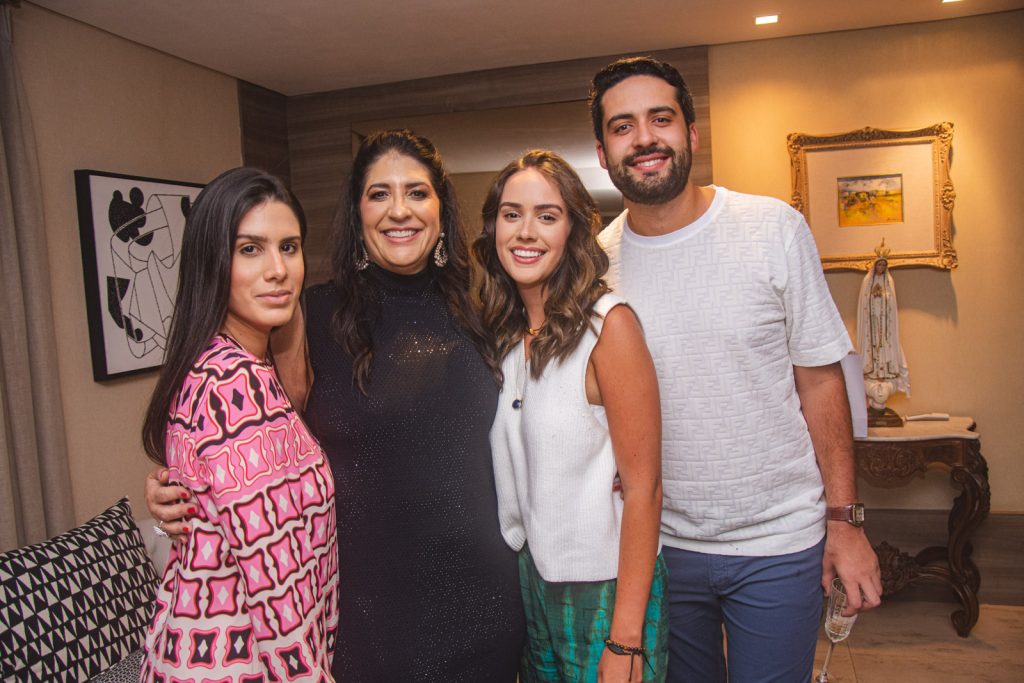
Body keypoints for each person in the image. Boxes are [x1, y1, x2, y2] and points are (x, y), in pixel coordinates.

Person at [147, 130, 524, 681]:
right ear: (357, 212)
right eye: (379, 194)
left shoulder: (488, 305)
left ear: (441, 208)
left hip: (487, 607)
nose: (400, 210)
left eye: (417, 192)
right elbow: (251, 442)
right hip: (369, 624)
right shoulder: (304, 317)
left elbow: (540, 415)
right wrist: (176, 488)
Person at [588, 57, 882, 682]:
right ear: (602, 149)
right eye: (623, 126)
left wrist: (845, 521)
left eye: (660, 118)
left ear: (691, 134)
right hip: (661, 550)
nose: (643, 138)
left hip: (779, 542)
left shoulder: (772, 228)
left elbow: (820, 380)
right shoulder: (595, 265)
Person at [138, 167, 338, 680]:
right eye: (251, 249)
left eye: (288, 247)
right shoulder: (231, 384)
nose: (278, 270)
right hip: (233, 662)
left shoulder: (234, 364)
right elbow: (276, 585)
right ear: (213, 261)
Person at [476, 150, 668, 682]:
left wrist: (626, 639)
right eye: (511, 214)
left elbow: (645, 487)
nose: (526, 232)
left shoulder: (609, 327)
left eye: (547, 215)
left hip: (606, 591)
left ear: (574, 232)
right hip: (531, 583)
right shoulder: (506, 337)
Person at [856, 240, 909, 412]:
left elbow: (891, 302)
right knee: (872, 349)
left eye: (883, 265)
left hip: (885, 326)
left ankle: (885, 373)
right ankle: (872, 373)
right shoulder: (867, 281)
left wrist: (883, 296)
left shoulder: (889, 282)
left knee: (884, 347)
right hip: (872, 324)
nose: (880, 268)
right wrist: (873, 296)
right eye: (878, 265)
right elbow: (864, 301)